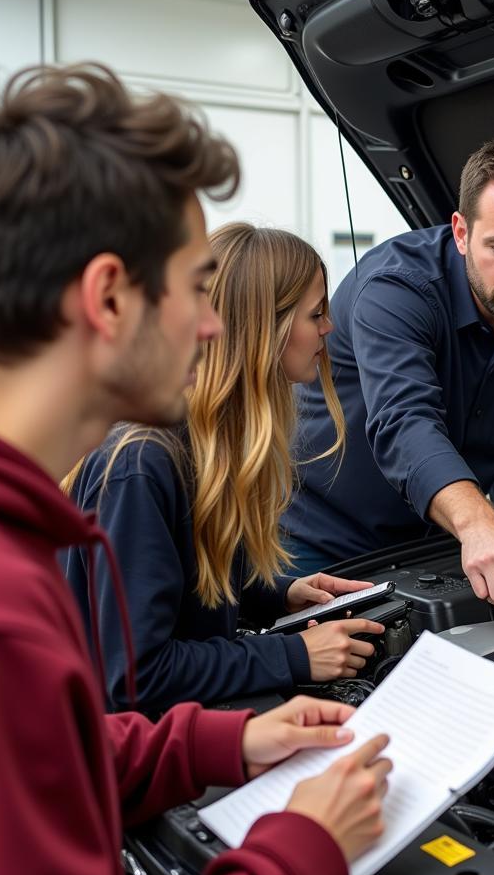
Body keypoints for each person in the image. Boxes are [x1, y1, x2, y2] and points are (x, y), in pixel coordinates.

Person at [0, 63, 392, 875]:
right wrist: (297, 856)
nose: (210, 327)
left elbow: (56, 746)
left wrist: (219, 743)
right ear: (110, 297)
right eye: (197, 288)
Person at [63, 222, 385, 713]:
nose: (329, 328)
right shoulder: (142, 464)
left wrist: (277, 595)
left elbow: (182, 590)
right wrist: (293, 654)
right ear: (264, 329)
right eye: (316, 314)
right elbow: (134, 677)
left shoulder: (210, 446)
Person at [283, 133, 494, 633]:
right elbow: (404, 421)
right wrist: (479, 524)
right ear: (461, 232)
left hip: (431, 548)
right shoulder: (396, 291)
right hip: (321, 550)